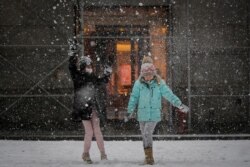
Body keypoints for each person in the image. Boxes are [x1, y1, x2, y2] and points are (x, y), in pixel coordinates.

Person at [125, 56, 189, 165]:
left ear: (154, 74)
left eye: (150, 75)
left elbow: (169, 95)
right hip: (142, 114)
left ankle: (150, 158)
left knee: (147, 133)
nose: (148, 77)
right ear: (142, 74)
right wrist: (129, 111)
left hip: (154, 114)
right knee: (144, 135)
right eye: (146, 75)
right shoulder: (138, 84)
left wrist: (179, 104)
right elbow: (134, 98)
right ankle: (147, 156)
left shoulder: (159, 83)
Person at [68, 39, 112, 164]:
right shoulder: (77, 77)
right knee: (89, 132)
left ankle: (103, 154)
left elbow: (102, 81)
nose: (90, 68)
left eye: (90, 66)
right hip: (83, 108)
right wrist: (72, 53)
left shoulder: (92, 78)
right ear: (82, 67)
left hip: (92, 108)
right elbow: (71, 67)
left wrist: (107, 71)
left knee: (97, 131)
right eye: (88, 66)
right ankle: (85, 154)